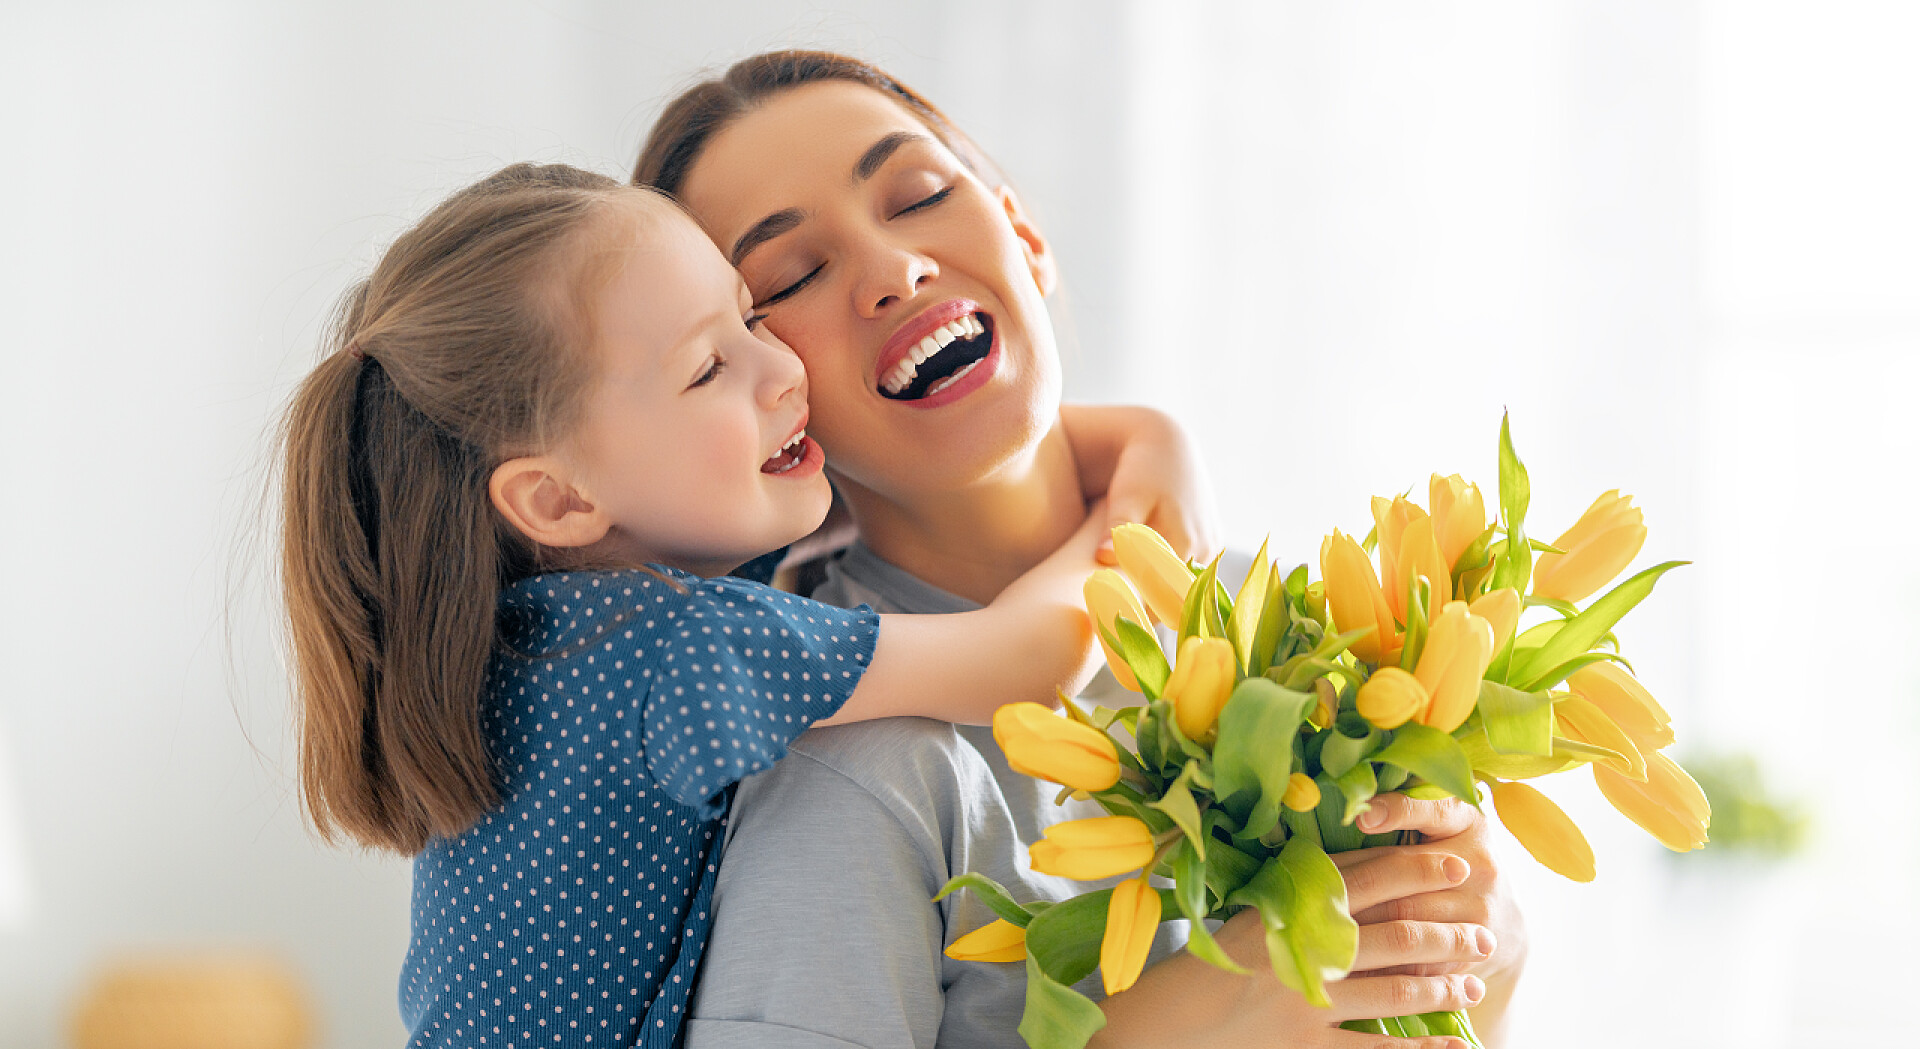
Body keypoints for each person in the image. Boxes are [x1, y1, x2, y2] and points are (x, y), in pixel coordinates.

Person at [634, 51, 1527, 1049]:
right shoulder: (853, 772)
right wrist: (1165, 1026)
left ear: (1024, 234)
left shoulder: (1304, 629)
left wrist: (1483, 959)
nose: (893, 271)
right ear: (756, 389)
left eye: (918, 196)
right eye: (792, 276)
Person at [277, 162, 1222, 1047]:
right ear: (557, 500)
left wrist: (1150, 437)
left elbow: (910, 469)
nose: (783, 371)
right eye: (707, 369)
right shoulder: (679, 645)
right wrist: (1129, 515)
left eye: (752, 317)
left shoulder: (554, 626)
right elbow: (1028, 659)